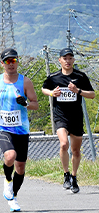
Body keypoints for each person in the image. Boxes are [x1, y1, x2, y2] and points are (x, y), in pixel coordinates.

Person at [0, 48, 38, 212]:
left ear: (17, 61)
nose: (11, 64)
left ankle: (13, 196)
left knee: (20, 167)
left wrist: (26, 104)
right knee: (10, 156)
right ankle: (7, 180)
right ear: (2, 63)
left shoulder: (25, 82)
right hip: (3, 126)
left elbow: (35, 104)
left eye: (13, 60)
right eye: (7, 61)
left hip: (21, 129)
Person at [42, 47, 95, 194]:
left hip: (76, 117)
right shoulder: (54, 77)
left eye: (70, 58)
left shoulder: (80, 76)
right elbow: (43, 88)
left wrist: (78, 91)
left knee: (76, 151)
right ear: (59, 60)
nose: (68, 61)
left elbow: (92, 95)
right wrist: (52, 93)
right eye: (65, 58)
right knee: (64, 143)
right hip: (60, 116)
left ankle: (74, 177)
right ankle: (65, 175)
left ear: (73, 60)